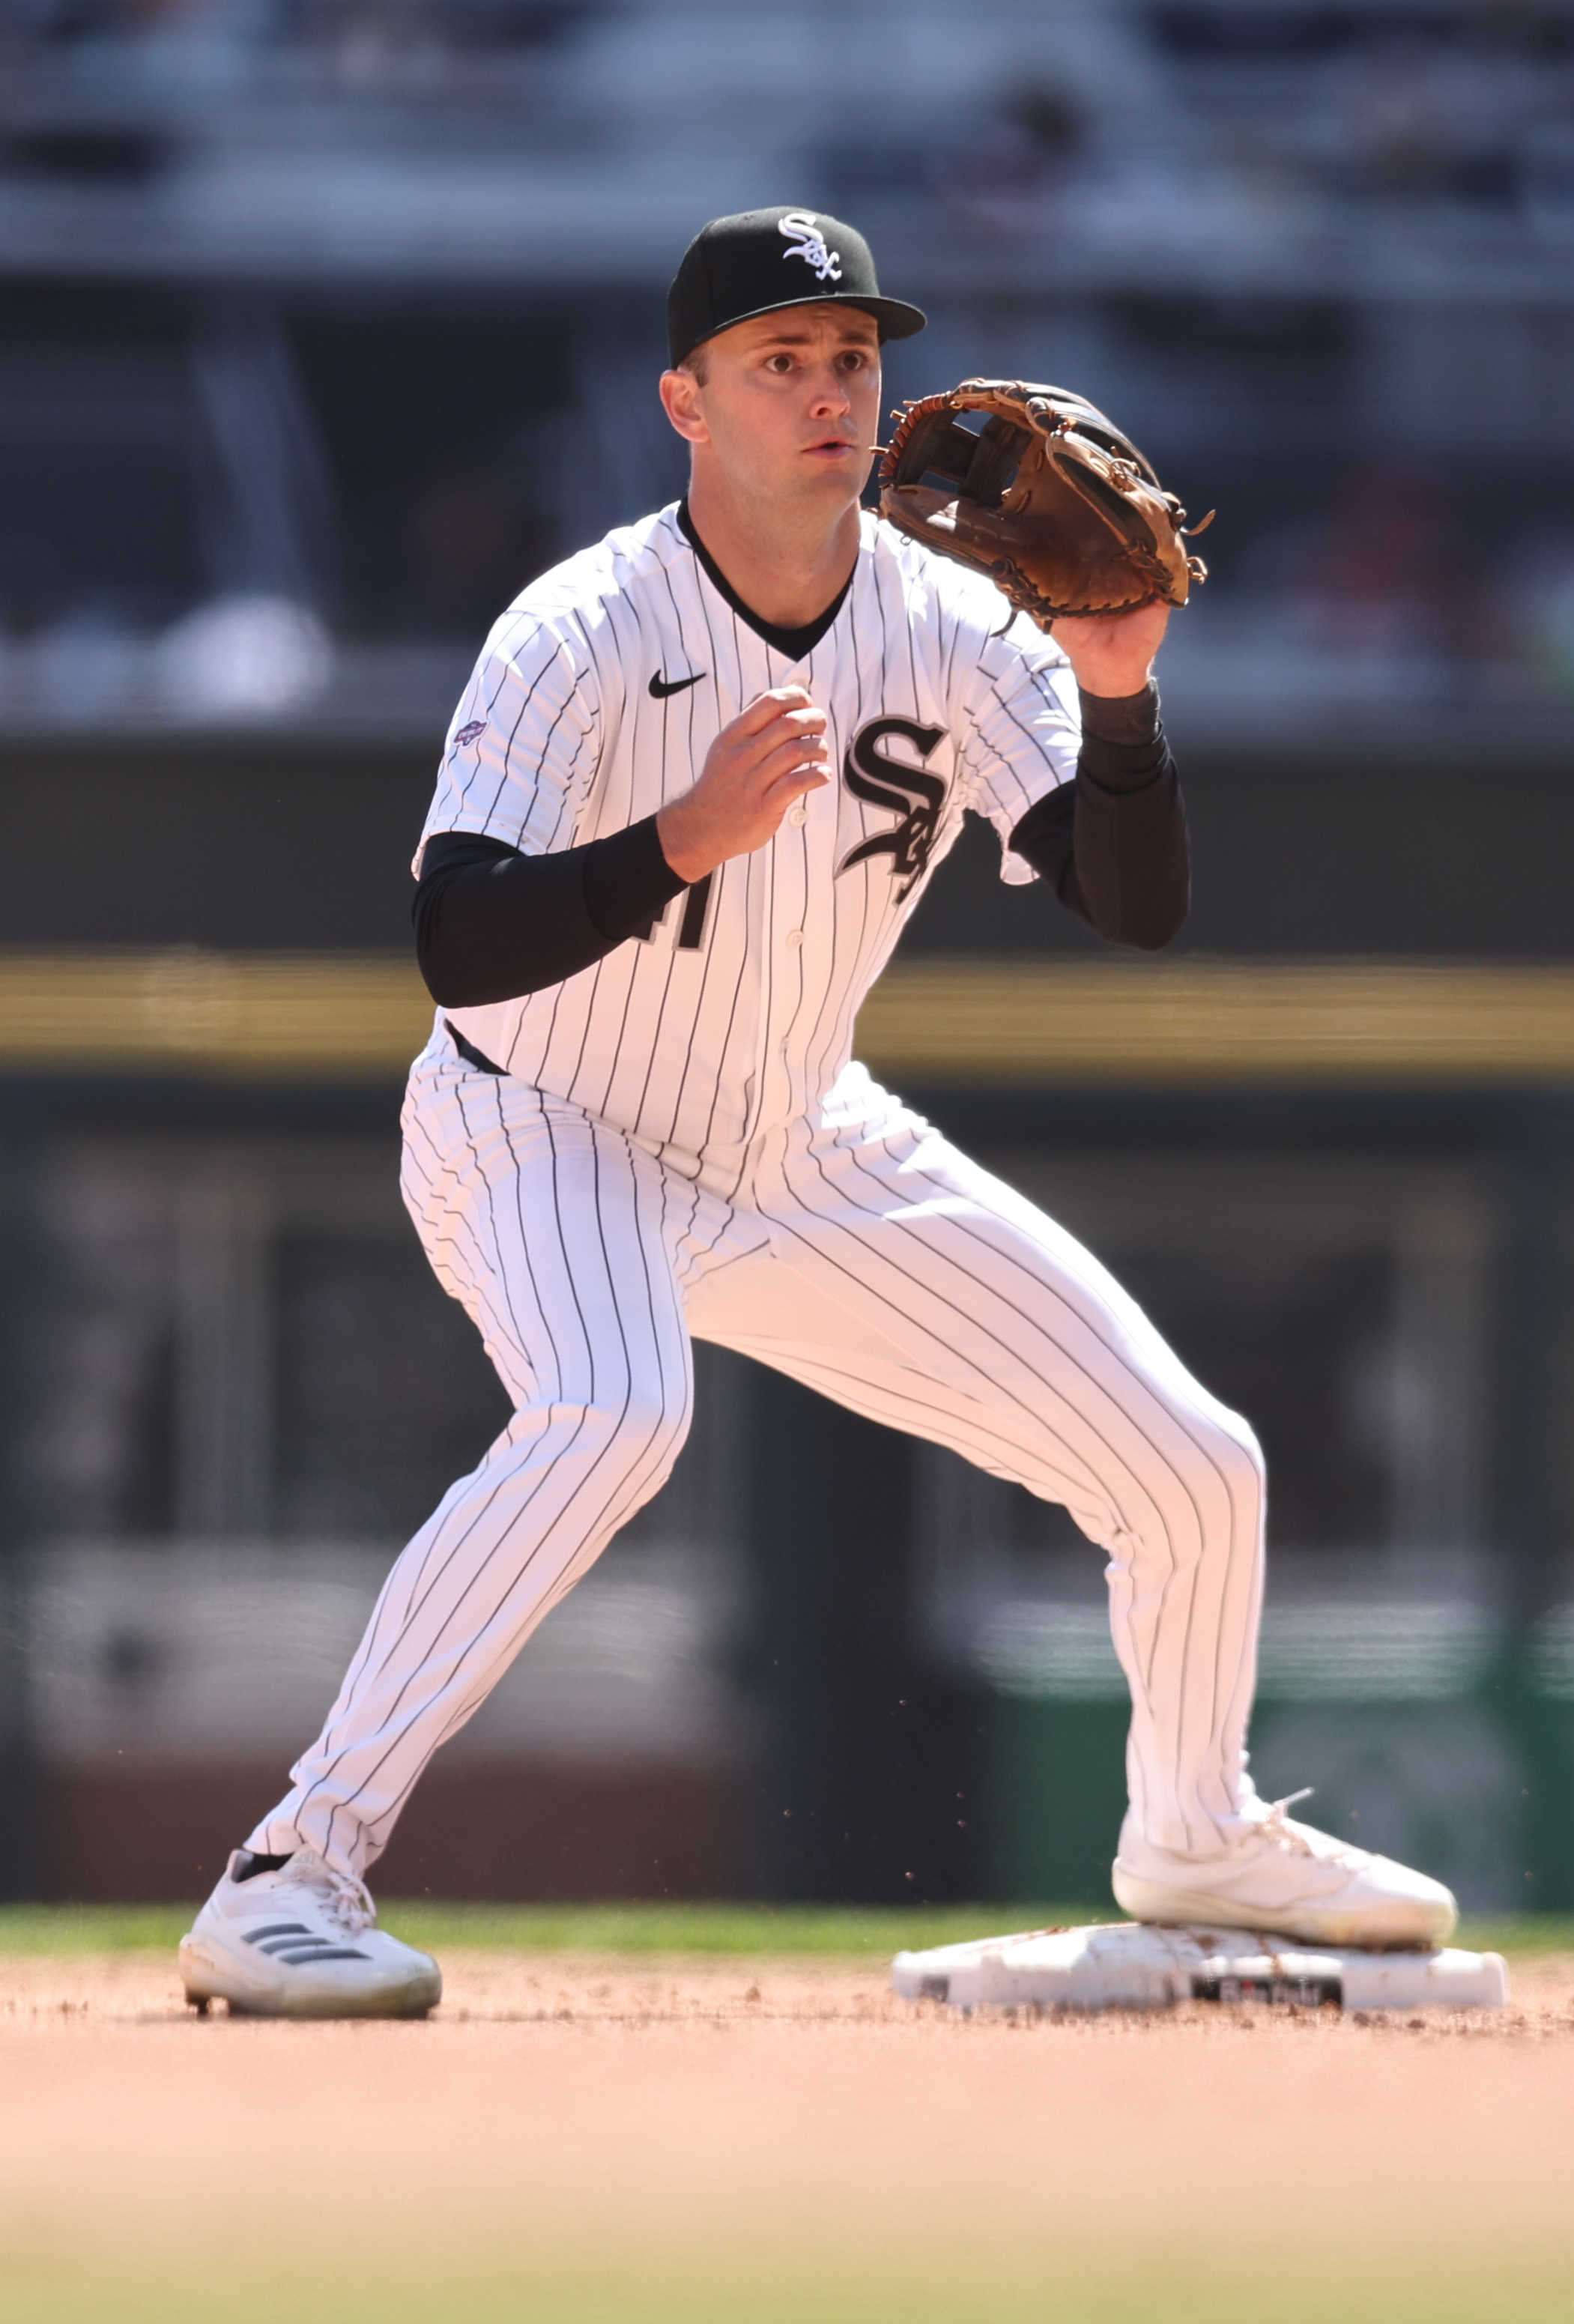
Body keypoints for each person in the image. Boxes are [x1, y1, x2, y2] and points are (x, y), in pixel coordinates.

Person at [179, 209, 1454, 2018]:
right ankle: (290, 1869)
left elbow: (1130, 896)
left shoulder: (953, 624)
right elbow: (457, 940)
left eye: (853, 355)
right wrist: (673, 841)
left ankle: (1197, 1830)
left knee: (1195, 1464)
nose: (833, 389)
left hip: (795, 1139)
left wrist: (1122, 693)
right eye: (783, 358)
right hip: (543, 1117)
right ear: (683, 402)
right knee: (615, 1403)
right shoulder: (584, 623)